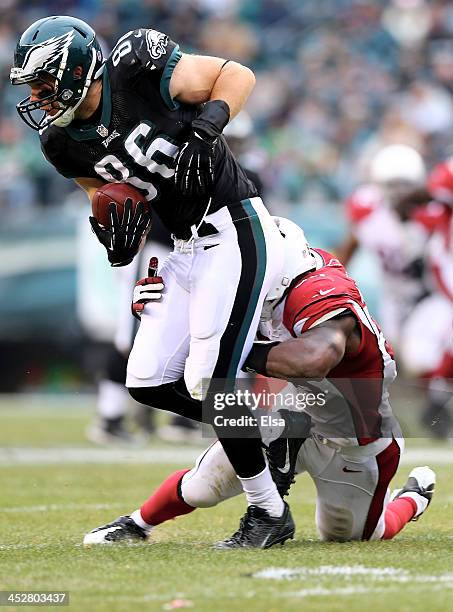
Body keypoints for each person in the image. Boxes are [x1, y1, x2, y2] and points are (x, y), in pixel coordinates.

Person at [10, 16, 291, 548]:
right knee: (147, 379)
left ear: (76, 71)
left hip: (232, 225)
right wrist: (115, 238)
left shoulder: (135, 66)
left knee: (211, 379)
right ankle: (273, 429)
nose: (40, 98)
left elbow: (239, 76)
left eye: (45, 83)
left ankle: (268, 510)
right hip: (178, 248)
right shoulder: (60, 144)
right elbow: (106, 200)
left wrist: (206, 130)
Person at [84, 217, 436, 546]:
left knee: (355, 536)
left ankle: (411, 499)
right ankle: (137, 524)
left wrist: (228, 344)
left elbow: (315, 359)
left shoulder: (316, 290)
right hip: (295, 416)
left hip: (355, 441)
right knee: (205, 483)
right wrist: (163, 312)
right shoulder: (267, 283)